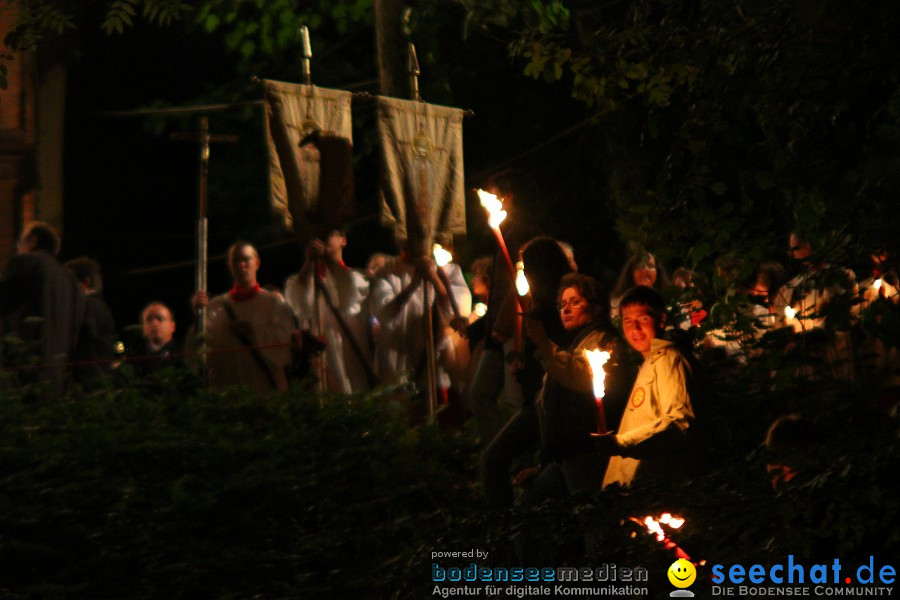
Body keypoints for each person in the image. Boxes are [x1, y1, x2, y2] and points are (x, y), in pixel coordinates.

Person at [480, 237, 576, 508]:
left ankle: (504, 534)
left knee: (493, 460)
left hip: (549, 404)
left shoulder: (561, 305)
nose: (523, 271)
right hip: (537, 400)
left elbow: (558, 356)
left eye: (526, 266)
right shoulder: (542, 304)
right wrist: (522, 360)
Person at [516, 273, 627, 505]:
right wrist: (543, 465)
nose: (566, 309)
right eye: (562, 304)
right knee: (528, 509)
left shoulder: (603, 341)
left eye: (575, 302)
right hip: (566, 455)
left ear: (595, 306)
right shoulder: (576, 342)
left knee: (592, 519)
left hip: (586, 453)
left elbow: (579, 375)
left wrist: (544, 344)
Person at [469, 169, 543, 445]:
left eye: (496, 195)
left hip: (514, 328)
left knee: (517, 398)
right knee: (480, 393)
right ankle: (497, 455)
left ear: (509, 198)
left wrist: (502, 324)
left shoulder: (522, 232)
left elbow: (520, 283)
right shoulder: (508, 231)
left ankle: (521, 460)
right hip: (497, 330)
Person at [596, 285, 695, 489]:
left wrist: (622, 443)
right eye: (628, 321)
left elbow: (679, 422)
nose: (635, 329)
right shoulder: (650, 363)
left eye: (642, 319)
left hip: (655, 487)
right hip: (637, 486)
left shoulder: (669, 358)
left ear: (661, 320)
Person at [369, 246, 471, 403]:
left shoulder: (449, 270)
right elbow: (383, 312)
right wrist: (414, 283)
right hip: (397, 361)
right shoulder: (387, 271)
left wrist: (434, 278)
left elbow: (458, 312)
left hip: (435, 359)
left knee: (438, 412)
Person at [191, 241, 296, 394]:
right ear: (230, 265)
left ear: (257, 263)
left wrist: (254, 330)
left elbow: (286, 343)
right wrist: (198, 317)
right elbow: (200, 350)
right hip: (228, 387)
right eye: (235, 261)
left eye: (245, 259)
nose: (241, 265)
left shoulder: (273, 303)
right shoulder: (216, 307)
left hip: (264, 386)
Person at [284, 227, 374, 394]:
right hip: (322, 357)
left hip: (351, 353)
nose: (324, 240)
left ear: (343, 240)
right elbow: (298, 300)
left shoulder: (356, 278)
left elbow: (350, 300)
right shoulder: (307, 281)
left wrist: (325, 257)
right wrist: (309, 262)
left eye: (330, 234)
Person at [0, 221, 85, 396]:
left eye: (20, 243)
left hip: (24, 371)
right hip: (57, 378)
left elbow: (5, 300)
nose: (18, 248)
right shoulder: (71, 281)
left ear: (32, 241)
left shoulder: (27, 261)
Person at [65, 256, 116, 385]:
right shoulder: (99, 305)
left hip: (89, 381)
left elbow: (86, 331)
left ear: (85, 282)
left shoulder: (89, 304)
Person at [609, 252, 671, 321]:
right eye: (640, 266)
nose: (645, 270)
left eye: (650, 266)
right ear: (631, 272)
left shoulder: (669, 303)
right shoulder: (617, 306)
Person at [129, 301, 180, 374]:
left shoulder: (182, 355)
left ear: (172, 326)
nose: (154, 323)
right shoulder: (134, 357)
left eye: (160, 319)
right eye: (149, 320)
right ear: (143, 328)